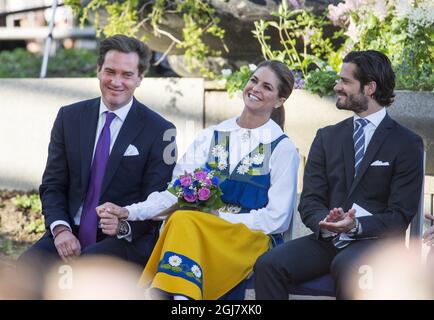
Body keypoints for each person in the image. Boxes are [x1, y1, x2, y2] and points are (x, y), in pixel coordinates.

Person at [97, 60, 300, 300]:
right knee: (182, 218)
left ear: (279, 101)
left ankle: (168, 295)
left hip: (248, 237)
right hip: (198, 230)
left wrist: (219, 218)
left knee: (184, 220)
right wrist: (129, 212)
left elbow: (277, 219)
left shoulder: (282, 148)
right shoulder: (211, 135)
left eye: (267, 87)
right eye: (253, 80)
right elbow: (174, 193)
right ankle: (183, 297)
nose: (256, 89)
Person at [254, 50, 425, 299]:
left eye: (345, 81)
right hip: (328, 240)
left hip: (379, 245)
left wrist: (356, 225)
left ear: (369, 88)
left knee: (347, 266)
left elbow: (400, 215)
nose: (337, 86)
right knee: (268, 265)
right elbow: (310, 200)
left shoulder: (406, 143)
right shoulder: (327, 137)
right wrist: (327, 223)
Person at [17, 34, 176, 294]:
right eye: (110, 71)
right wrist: (60, 230)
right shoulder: (69, 118)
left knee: (84, 274)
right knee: (27, 268)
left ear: (139, 78)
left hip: (124, 239)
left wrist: (124, 224)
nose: (116, 81)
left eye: (126, 74)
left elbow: (156, 199)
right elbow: (53, 184)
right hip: (70, 232)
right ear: (98, 70)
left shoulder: (160, 130)